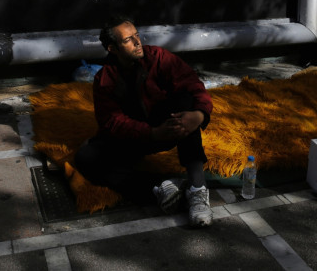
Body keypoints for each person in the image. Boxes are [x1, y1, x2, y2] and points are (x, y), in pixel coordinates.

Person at [74, 15, 214, 227]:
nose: (137, 42)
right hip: (138, 137)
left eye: (137, 35)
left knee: (185, 101)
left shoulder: (158, 57)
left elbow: (192, 84)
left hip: (169, 126)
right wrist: (151, 133)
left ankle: (197, 189)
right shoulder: (104, 78)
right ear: (112, 48)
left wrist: (199, 115)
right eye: (128, 39)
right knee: (86, 157)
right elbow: (111, 122)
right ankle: (160, 187)